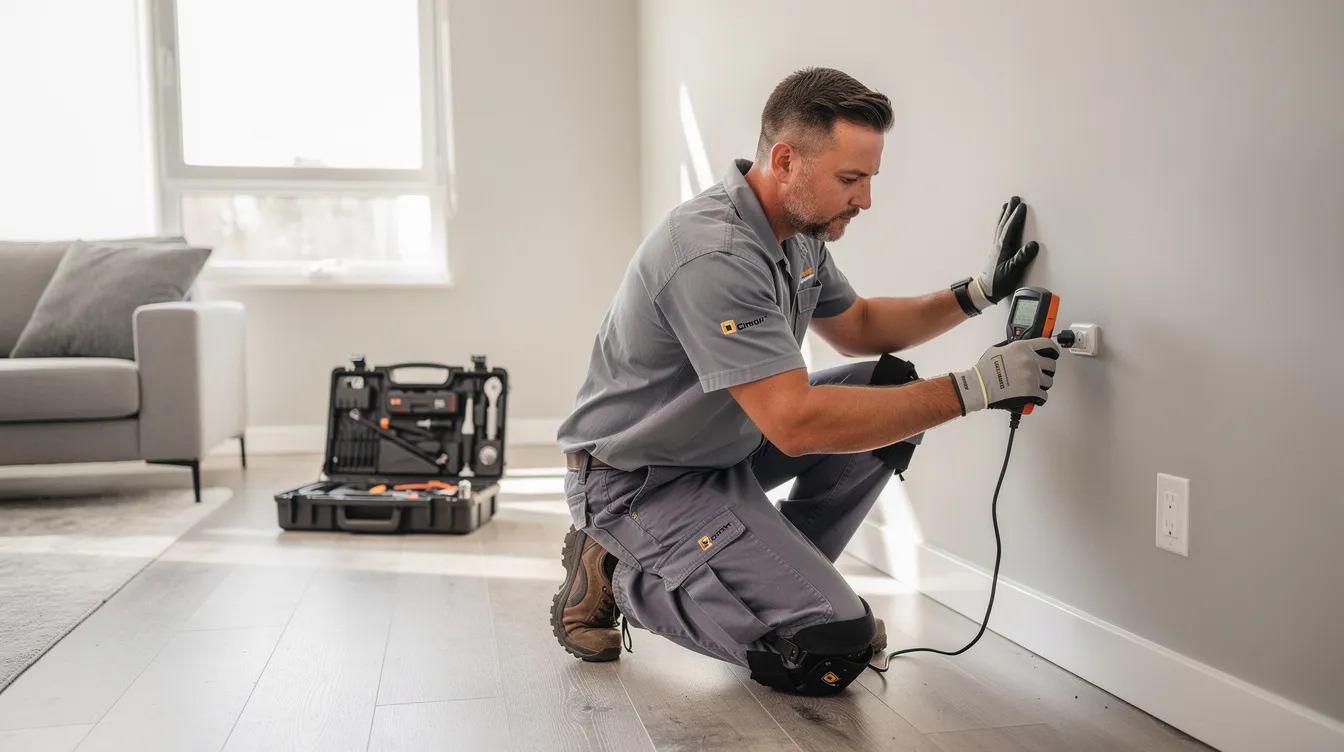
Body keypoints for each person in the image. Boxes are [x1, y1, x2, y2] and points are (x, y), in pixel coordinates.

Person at [550, 67, 1060, 696]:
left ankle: (785, 580)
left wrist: (976, 294)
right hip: (639, 481)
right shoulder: (715, 254)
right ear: (785, 161)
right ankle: (619, 570)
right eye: (851, 179)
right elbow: (794, 425)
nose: (866, 199)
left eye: (870, 178)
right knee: (825, 652)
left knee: (887, 382)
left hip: (723, 447)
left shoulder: (796, 234)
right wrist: (972, 390)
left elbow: (862, 326)